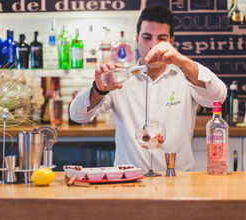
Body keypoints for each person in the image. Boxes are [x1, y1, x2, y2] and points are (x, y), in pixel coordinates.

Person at [70, 5, 227, 171]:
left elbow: (217, 97)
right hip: (130, 182)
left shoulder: (186, 76)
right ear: (137, 39)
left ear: (172, 42)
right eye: (147, 37)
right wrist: (99, 90)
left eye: (162, 38)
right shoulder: (119, 80)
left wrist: (180, 60)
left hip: (179, 182)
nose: (154, 45)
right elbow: (77, 115)